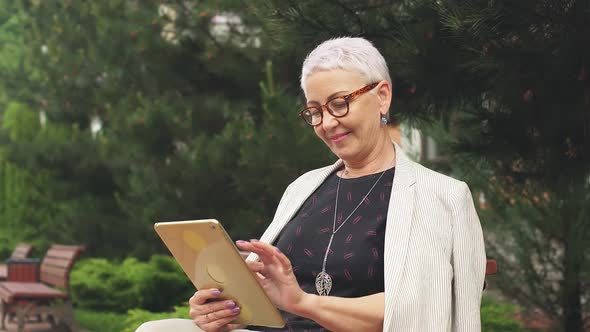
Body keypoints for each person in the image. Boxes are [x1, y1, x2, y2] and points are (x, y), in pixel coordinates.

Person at [136, 37, 486, 332]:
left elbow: (416, 307)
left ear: (382, 96)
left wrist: (304, 303)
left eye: (339, 103)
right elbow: (265, 295)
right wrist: (224, 310)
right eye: (315, 111)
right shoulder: (304, 188)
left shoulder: (439, 195)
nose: (327, 123)